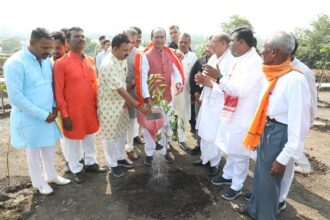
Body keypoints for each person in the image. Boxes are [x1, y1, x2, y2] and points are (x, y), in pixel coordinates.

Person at [232, 31, 311, 220]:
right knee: (260, 177)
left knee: (269, 184)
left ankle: (266, 216)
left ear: (275, 52)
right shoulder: (274, 75)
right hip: (267, 129)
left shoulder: (295, 80)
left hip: (279, 134)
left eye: (264, 51)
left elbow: (298, 125)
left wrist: (283, 158)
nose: (261, 54)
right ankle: (254, 210)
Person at [198, 28, 264, 200]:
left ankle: (237, 185)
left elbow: (240, 90)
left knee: (240, 153)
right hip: (231, 111)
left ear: (242, 42)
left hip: (244, 114)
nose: (231, 44)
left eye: (233, 41)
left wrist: (218, 77)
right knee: (230, 147)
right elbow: (228, 85)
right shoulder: (240, 59)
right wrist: (213, 82)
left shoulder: (254, 62)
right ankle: (228, 175)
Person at [4, 28, 71, 195]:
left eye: (51, 47)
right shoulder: (15, 63)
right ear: (31, 43)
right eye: (45, 48)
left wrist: (54, 106)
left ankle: (52, 175)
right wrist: (42, 114)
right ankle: (39, 182)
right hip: (30, 118)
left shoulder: (46, 61)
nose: (49, 52)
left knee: (49, 146)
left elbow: (51, 86)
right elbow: (16, 97)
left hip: (49, 114)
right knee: (33, 152)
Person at [54, 27, 105, 184]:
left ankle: (90, 163)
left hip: (90, 109)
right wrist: (65, 115)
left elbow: (95, 85)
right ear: (68, 42)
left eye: (82, 36)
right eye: (77, 37)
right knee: (73, 141)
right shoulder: (61, 64)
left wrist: (98, 107)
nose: (81, 39)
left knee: (90, 137)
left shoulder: (90, 60)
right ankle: (76, 168)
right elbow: (58, 92)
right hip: (72, 112)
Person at [98, 33, 150, 177]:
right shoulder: (108, 64)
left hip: (121, 105)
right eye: (124, 50)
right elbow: (121, 90)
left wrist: (127, 103)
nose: (128, 53)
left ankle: (120, 158)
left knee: (121, 133)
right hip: (109, 106)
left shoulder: (121, 59)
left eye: (129, 50)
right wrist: (139, 106)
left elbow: (123, 86)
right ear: (114, 49)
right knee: (110, 136)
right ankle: (112, 164)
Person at [135, 27, 184, 165]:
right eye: (156, 37)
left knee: (165, 125)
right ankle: (150, 154)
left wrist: (179, 82)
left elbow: (176, 70)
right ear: (152, 39)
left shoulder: (170, 53)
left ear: (165, 38)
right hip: (153, 100)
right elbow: (143, 78)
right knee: (152, 126)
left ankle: (163, 151)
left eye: (162, 37)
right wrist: (147, 98)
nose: (159, 39)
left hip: (167, 98)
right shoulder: (146, 55)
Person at [194, 33, 234, 176]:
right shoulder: (213, 57)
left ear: (224, 44)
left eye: (214, 42)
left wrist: (210, 83)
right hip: (207, 101)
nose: (210, 45)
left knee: (214, 133)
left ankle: (214, 163)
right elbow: (207, 79)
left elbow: (229, 87)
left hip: (219, 103)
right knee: (204, 132)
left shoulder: (231, 61)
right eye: (210, 42)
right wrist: (200, 79)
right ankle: (205, 158)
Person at [51, 31, 71, 174]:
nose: (54, 51)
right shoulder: (48, 63)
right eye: (51, 47)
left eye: (58, 47)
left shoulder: (71, 61)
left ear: (65, 46)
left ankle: (78, 159)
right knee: (65, 136)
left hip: (75, 105)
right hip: (58, 107)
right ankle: (69, 161)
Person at [173, 33, 198, 151]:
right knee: (170, 115)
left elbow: (195, 75)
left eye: (186, 42)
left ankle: (181, 139)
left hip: (185, 92)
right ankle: (167, 141)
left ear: (190, 43)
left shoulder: (193, 57)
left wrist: (194, 93)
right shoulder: (172, 54)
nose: (183, 44)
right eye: (181, 42)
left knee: (183, 116)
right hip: (171, 93)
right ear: (178, 42)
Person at [189, 37, 213, 156]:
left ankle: (209, 151)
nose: (209, 49)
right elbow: (192, 78)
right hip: (199, 99)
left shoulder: (219, 64)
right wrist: (196, 93)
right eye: (207, 46)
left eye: (211, 46)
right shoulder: (200, 61)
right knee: (199, 122)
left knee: (209, 125)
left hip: (213, 101)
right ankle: (199, 145)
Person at [124, 28, 142, 160]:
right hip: (114, 95)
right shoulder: (112, 52)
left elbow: (139, 75)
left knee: (131, 121)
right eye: (130, 41)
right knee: (118, 123)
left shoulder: (138, 54)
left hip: (131, 94)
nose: (132, 45)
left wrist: (130, 85)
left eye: (134, 42)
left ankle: (129, 148)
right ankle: (118, 152)